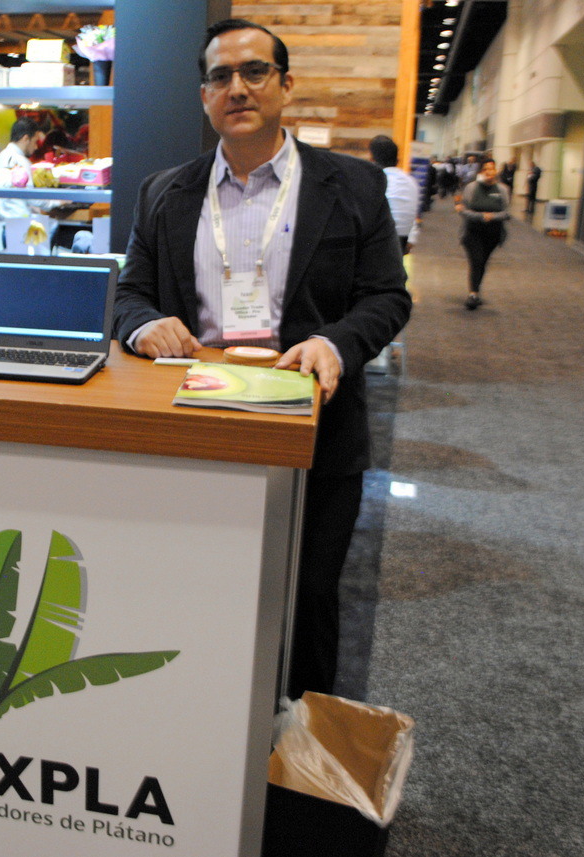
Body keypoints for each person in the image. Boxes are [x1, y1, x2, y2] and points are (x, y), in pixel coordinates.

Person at [113, 19, 411, 700]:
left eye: (254, 72)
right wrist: (144, 324)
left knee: (307, 598)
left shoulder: (354, 186)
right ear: (204, 96)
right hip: (193, 428)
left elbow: (387, 297)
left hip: (312, 431)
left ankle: (298, 744)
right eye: (220, 76)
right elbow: (129, 292)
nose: (237, 88)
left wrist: (336, 342)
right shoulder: (163, 192)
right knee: (193, 591)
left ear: (286, 84)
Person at [454, 157, 510, 310]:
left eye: (491, 169)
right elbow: (462, 210)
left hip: (493, 234)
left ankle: (476, 290)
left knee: (482, 262)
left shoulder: (502, 190)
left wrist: (492, 216)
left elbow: (506, 213)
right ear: (481, 171)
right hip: (472, 232)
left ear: (496, 171)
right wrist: (481, 216)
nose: (489, 172)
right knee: (476, 260)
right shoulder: (471, 188)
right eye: (486, 169)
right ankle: (473, 294)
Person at [369, 135, 420, 255]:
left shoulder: (375, 179)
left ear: (372, 159)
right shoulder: (410, 181)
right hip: (402, 243)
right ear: (397, 159)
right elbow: (412, 213)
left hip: (379, 242)